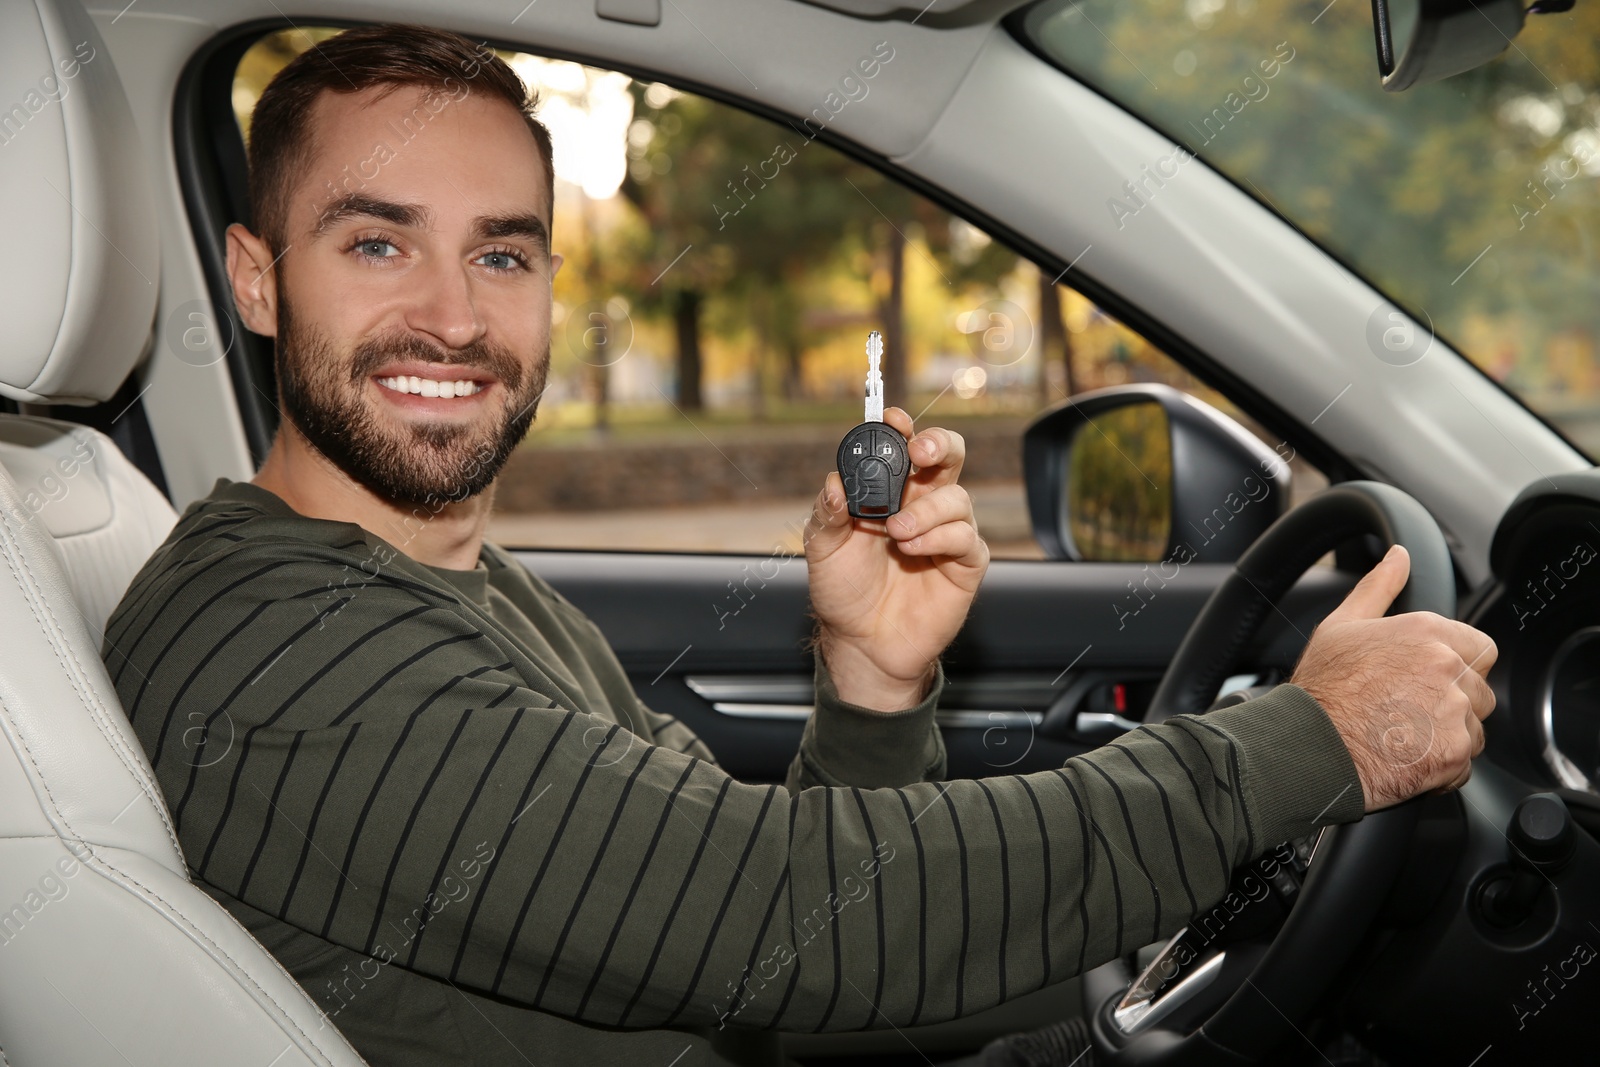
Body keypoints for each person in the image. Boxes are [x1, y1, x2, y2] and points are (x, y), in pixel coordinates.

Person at [101, 23, 1496, 1067]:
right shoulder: (280, 648)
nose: (456, 318)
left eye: (506, 254)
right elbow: (797, 920)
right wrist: (1315, 741)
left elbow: (742, 948)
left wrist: (872, 683)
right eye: (379, 245)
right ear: (256, 278)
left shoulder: (460, 584)